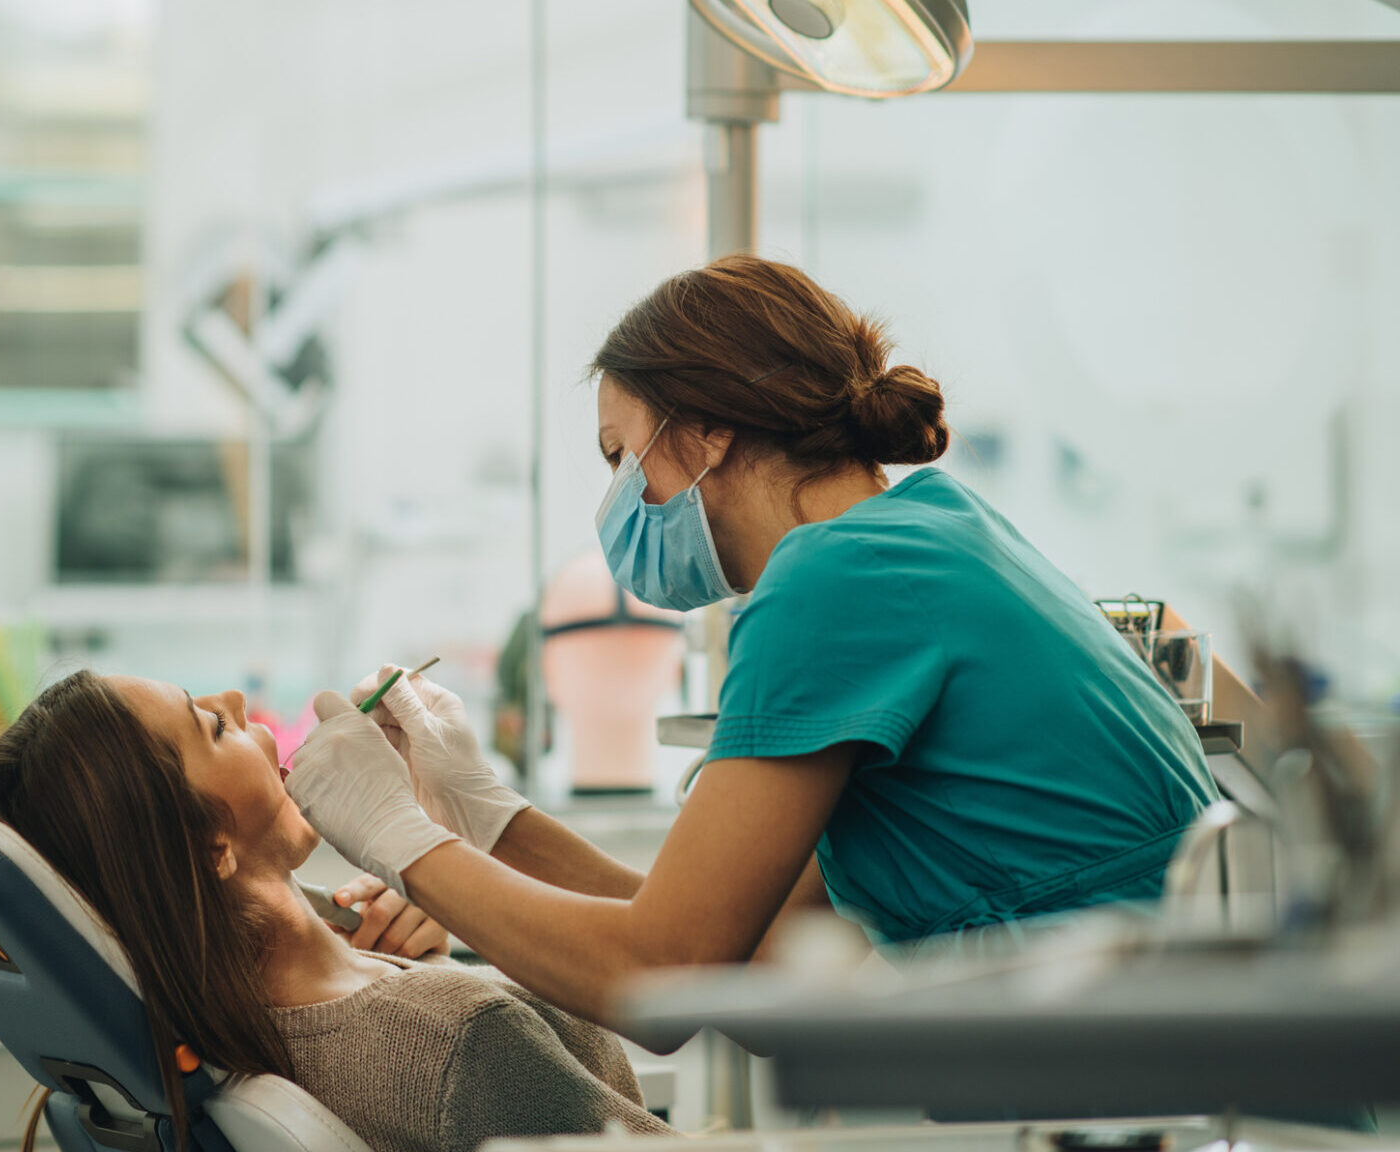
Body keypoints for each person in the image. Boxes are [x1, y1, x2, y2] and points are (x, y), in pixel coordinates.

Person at [287, 253, 1220, 1026]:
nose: (617, 503)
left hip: (1151, 1083)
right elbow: (749, 951)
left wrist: (397, 837)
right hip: (1186, 1061)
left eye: (621, 457)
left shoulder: (835, 580)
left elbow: (663, 972)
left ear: (706, 429)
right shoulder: (930, 531)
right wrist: (484, 816)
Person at [0, 671, 672, 1152]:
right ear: (209, 846)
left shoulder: (230, 1025)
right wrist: (445, 986)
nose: (232, 701)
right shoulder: (457, 1037)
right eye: (212, 728)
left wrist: (442, 941)